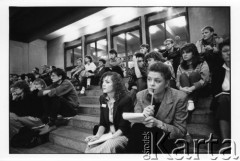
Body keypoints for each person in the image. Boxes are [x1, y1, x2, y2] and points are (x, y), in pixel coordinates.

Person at [127, 62, 188, 153]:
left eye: (157, 81)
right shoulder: (140, 95)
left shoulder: (179, 97)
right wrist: (142, 116)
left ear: (167, 83)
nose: (151, 84)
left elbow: (180, 132)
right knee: (138, 128)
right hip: (143, 138)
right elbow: (133, 124)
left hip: (165, 141)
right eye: (149, 79)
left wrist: (158, 123)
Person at [85, 72, 134, 153]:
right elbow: (103, 123)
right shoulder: (102, 98)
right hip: (108, 134)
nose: (103, 84)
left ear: (116, 84)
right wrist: (97, 136)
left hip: (121, 135)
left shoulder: (126, 99)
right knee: (90, 145)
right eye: (103, 82)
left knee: (106, 146)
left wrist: (110, 138)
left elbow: (124, 127)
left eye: (107, 82)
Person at [38, 68, 78, 135]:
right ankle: (47, 120)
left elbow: (53, 93)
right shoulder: (54, 84)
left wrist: (49, 91)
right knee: (44, 97)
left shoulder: (66, 83)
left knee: (56, 97)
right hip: (62, 109)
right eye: (51, 76)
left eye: (53, 76)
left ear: (60, 77)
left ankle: (52, 123)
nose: (51, 77)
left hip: (71, 110)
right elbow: (39, 93)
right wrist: (48, 91)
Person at [176, 43, 210, 111]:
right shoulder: (180, 66)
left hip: (200, 89)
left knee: (193, 74)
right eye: (183, 53)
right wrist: (181, 89)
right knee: (183, 76)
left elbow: (205, 79)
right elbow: (177, 81)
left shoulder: (202, 62)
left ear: (193, 53)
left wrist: (192, 88)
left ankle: (190, 100)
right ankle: (190, 100)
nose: (184, 55)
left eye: (187, 52)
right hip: (185, 90)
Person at [210, 39, 230, 149]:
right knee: (224, 99)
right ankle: (226, 141)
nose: (229, 53)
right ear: (221, 54)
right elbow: (215, 91)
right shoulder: (218, 70)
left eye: (231, 50)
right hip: (223, 99)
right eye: (225, 51)